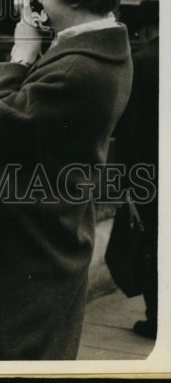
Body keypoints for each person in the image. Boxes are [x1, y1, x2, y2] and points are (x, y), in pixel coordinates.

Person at [0, 0, 133, 360]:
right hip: (54, 232)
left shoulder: (74, 68)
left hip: (26, 248)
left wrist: (21, 53)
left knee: (8, 356)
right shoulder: (105, 51)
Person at [111, 28, 158, 338]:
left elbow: (130, 133)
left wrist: (127, 186)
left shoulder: (141, 62)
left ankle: (157, 320)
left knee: (153, 247)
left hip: (151, 176)